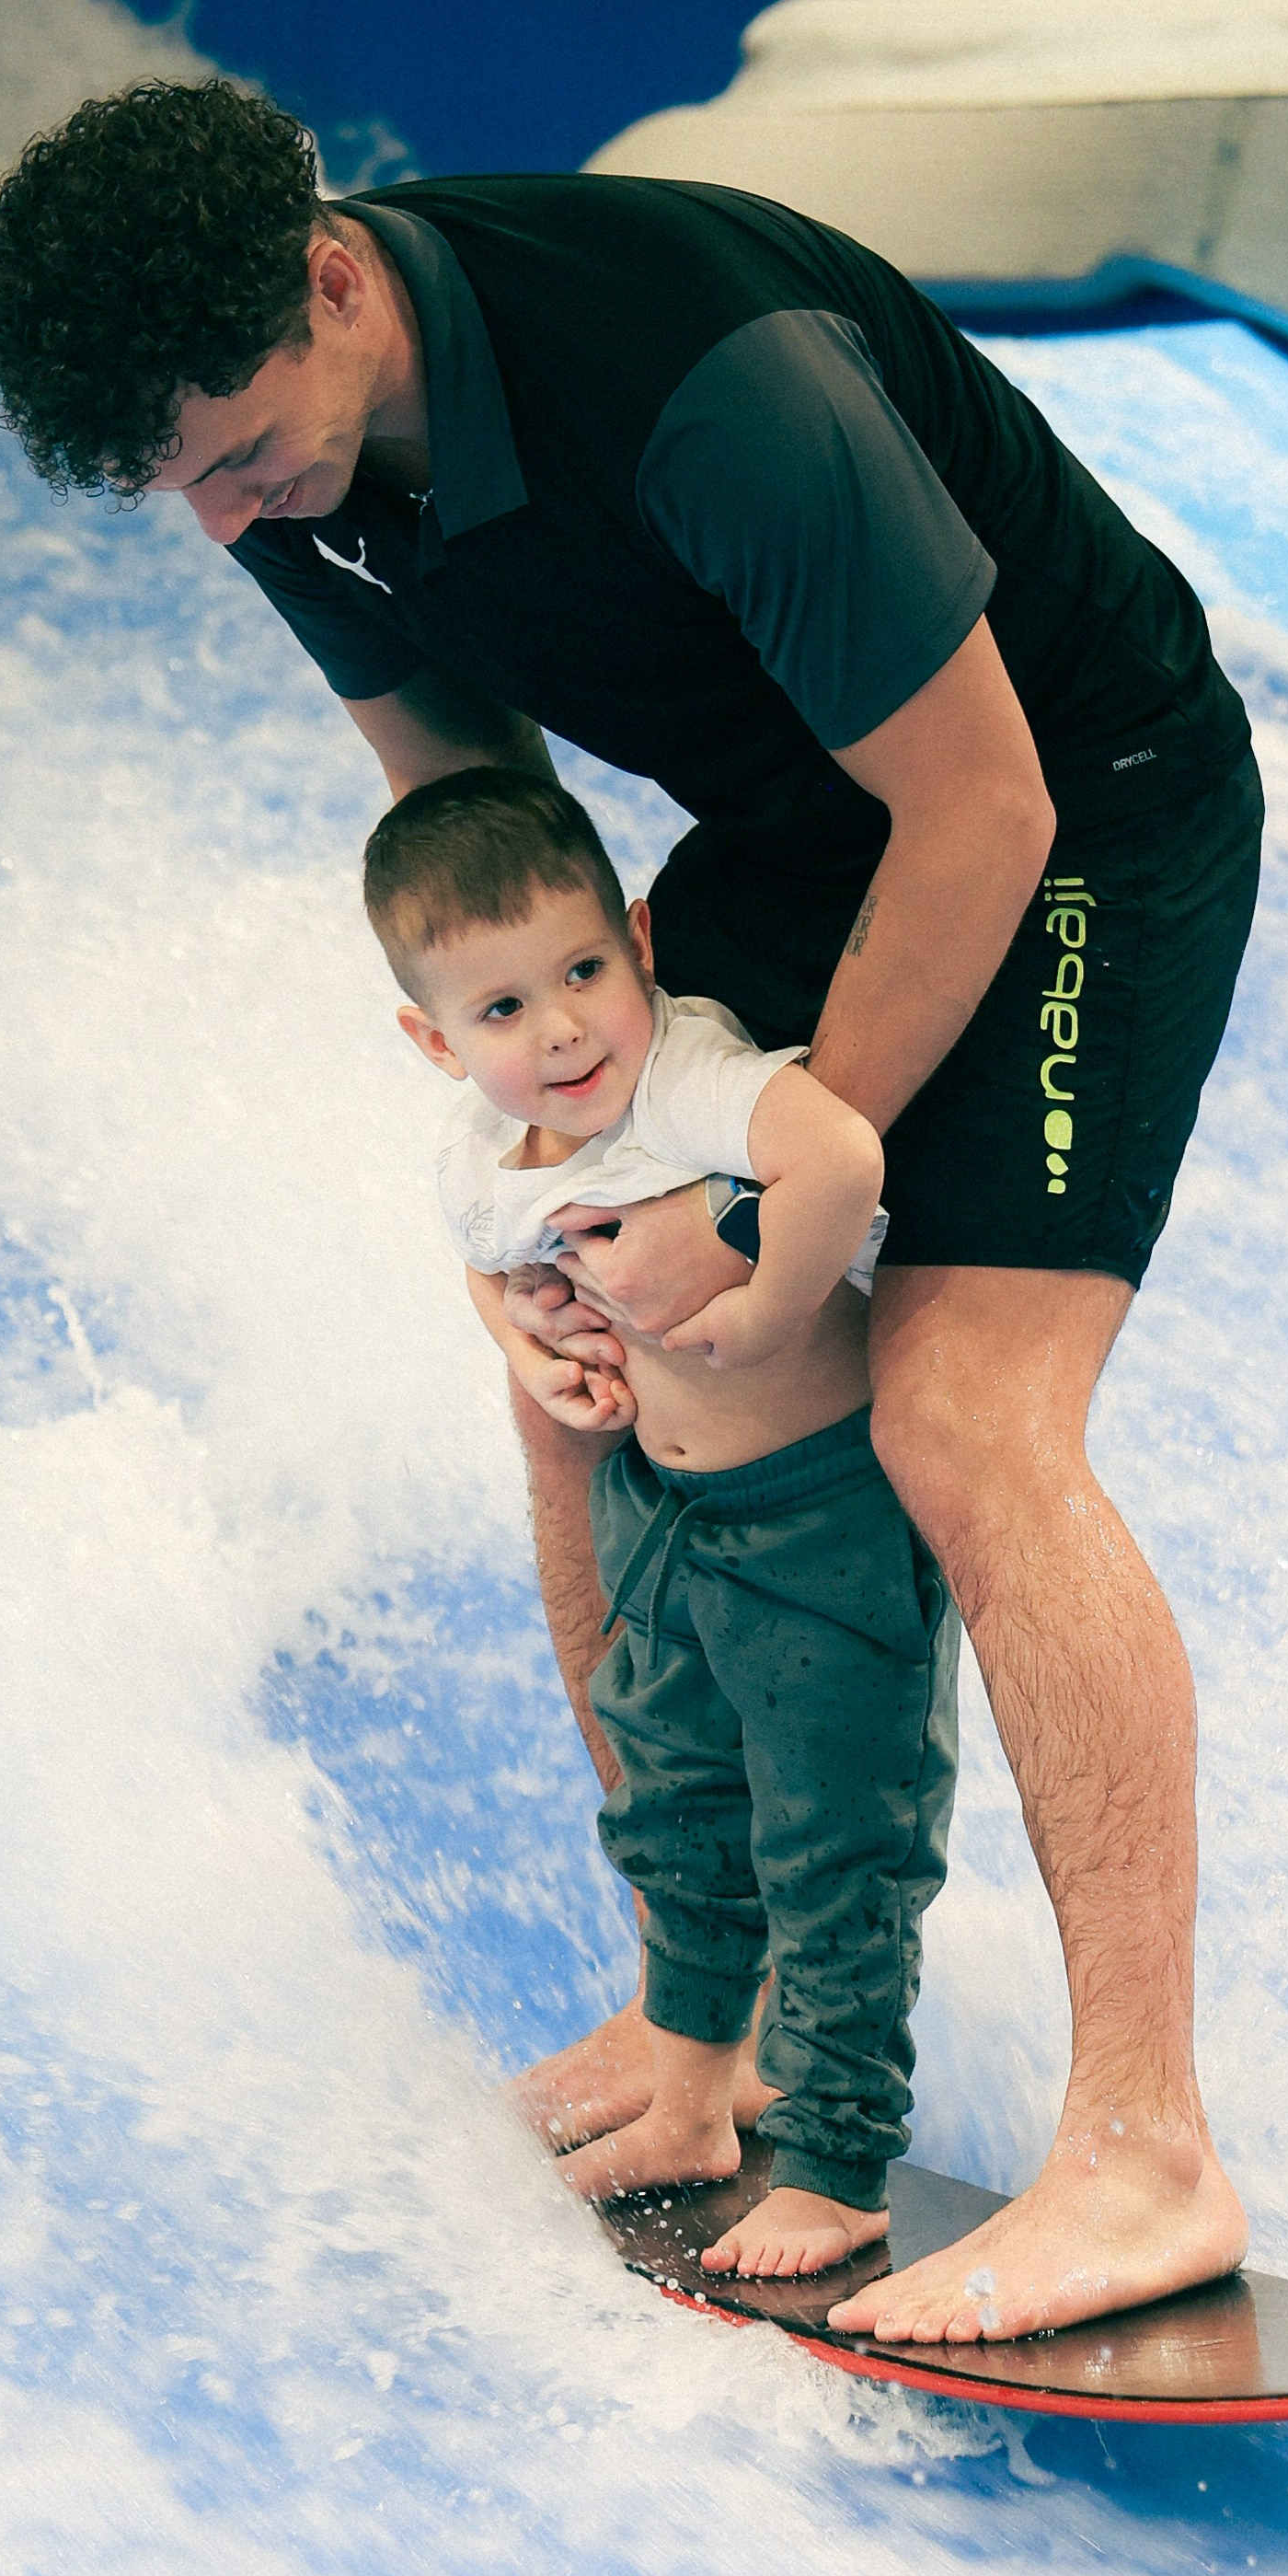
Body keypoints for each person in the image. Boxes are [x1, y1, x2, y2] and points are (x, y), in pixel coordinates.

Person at [0, 78, 1263, 2345]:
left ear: (336, 281)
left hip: (1071, 808)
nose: (232, 516)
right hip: (795, 821)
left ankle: (1147, 2147)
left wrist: (775, 1195)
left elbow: (978, 801)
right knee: (589, 1355)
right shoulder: (261, 443)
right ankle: (711, 2026)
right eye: (180, 490)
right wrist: (544, 1200)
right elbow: (480, 838)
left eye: (246, 456)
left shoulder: (697, 377)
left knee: (962, 1417)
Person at [368, 763, 960, 2282]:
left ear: (638, 938)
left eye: (582, 971)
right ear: (435, 1041)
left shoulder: (686, 1073)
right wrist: (528, 1349)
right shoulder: (480, 1146)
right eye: (501, 1011)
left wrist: (766, 1309)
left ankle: (833, 2157)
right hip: (659, 1518)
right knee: (679, 1818)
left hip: (816, 1516)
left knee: (838, 1847)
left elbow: (839, 1155)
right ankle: (695, 2100)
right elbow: (487, 1261)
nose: (561, 1027)